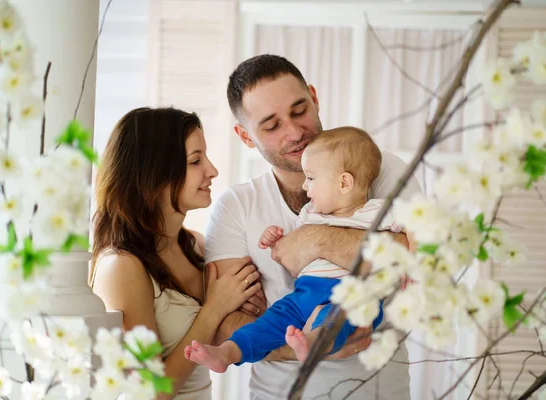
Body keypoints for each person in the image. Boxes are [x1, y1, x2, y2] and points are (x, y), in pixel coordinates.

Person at [203, 54, 422, 399]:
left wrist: (313, 241)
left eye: (299, 110)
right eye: (272, 126)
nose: (294, 131)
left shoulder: (377, 169)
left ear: (315, 99)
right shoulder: (236, 207)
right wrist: (313, 345)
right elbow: (225, 322)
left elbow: (414, 261)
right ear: (245, 137)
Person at [185, 126, 404, 372]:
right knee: (271, 322)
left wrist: (412, 265)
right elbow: (290, 251)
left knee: (337, 320)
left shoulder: (376, 212)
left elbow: (415, 232)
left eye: (311, 178)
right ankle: (228, 352)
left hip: (351, 297)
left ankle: (312, 342)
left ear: (344, 183)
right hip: (305, 293)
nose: (304, 187)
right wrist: (274, 239)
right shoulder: (311, 214)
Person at [89, 107, 267, 400]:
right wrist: (214, 310)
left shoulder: (196, 247)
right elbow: (147, 392)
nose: (212, 170)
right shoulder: (122, 266)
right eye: (195, 160)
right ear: (153, 175)